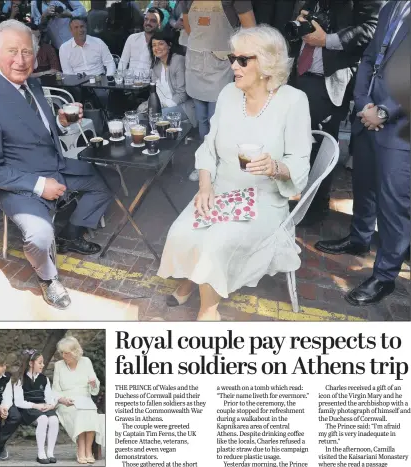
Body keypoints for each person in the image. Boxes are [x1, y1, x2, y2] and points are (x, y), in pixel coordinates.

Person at [157, 25, 311, 321]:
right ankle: (193, 278)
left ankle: (208, 310)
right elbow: (208, 147)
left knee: (216, 242)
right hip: (222, 188)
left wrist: (275, 167)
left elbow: (301, 160)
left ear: (268, 64)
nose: (233, 66)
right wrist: (205, 186)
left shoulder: (293, 101)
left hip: (264, 198)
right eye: (232, 57)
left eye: (243, 60)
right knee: (181, 232)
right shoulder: (228, 94)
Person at [0, 20, 113, 310]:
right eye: (12, 51)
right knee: (39, 235)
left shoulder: (30, 82)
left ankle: (69, 235)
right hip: (18, 184)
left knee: (107, 184)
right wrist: (40, 186)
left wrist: (60, 121)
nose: (20, 60)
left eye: (27, 52)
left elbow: (37, 127)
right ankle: (47, 277)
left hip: (55, 165)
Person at [315, 2, 410, 306]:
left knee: (394, 204)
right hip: (368, 116)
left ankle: (384, 276)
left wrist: (385, 111)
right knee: (364, 185)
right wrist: (363, 102)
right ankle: (359, 239)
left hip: (399, 126)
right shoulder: (390, 7)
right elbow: (370, 57)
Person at [288, 0, 384, 225]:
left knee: (320, 147)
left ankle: (314, 207)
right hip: (301, 75)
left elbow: (371, 28)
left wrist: (327, 40)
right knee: (301, 143)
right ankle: (304, 201)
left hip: (329, 83)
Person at [182, 0, 256, 182]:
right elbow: (188, 25)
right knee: (201, 120)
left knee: (219, 120)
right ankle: (204, 165)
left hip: (221, 64)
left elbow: (250, 28)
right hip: (196, 62)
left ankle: (222, 166)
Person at [52, 336, 102, 464]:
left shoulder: (86, 361)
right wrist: (62, 400)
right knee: (78, 412)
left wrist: (93, 383)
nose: (64, 356)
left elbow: (94, 388)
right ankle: (81, 449)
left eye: (67, 353)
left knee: (89, 411)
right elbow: (55, 390)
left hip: (85, 399)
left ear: (75, 352)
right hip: (67, 402)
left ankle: (88, 451)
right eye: (62, 353)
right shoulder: (58, 365)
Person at [13, 350, 59, 465]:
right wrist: (35, 406)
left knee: (54, 420)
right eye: (40, 362)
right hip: (28, 408)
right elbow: (19, 402)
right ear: (31, 363)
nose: (43, 365)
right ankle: (41, 453)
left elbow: (49, 397)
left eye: (42, 362)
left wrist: (50, 405)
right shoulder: (20, 379)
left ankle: (50, 453)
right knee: (43, 419)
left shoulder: (44, 379)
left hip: (43, 407)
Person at [148, 31, 196, 125]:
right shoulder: (156, 66)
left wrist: (163, 106)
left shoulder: (178, 60)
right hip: (163, 106)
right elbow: (155, 92)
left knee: (159, 117)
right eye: (154, 45)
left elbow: (182, 94)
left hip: (183, 106)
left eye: (161, 44)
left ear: (169, 45)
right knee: (140, 113)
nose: (157, 48)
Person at [120, 8, 162, 73]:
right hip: (130, 80)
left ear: (159, 24)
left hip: (149, 81)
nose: (148, 23)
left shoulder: (163, 44)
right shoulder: (132, 38)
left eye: (153, 21)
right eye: (146, 19)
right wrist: (120, 78)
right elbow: (123, 62)